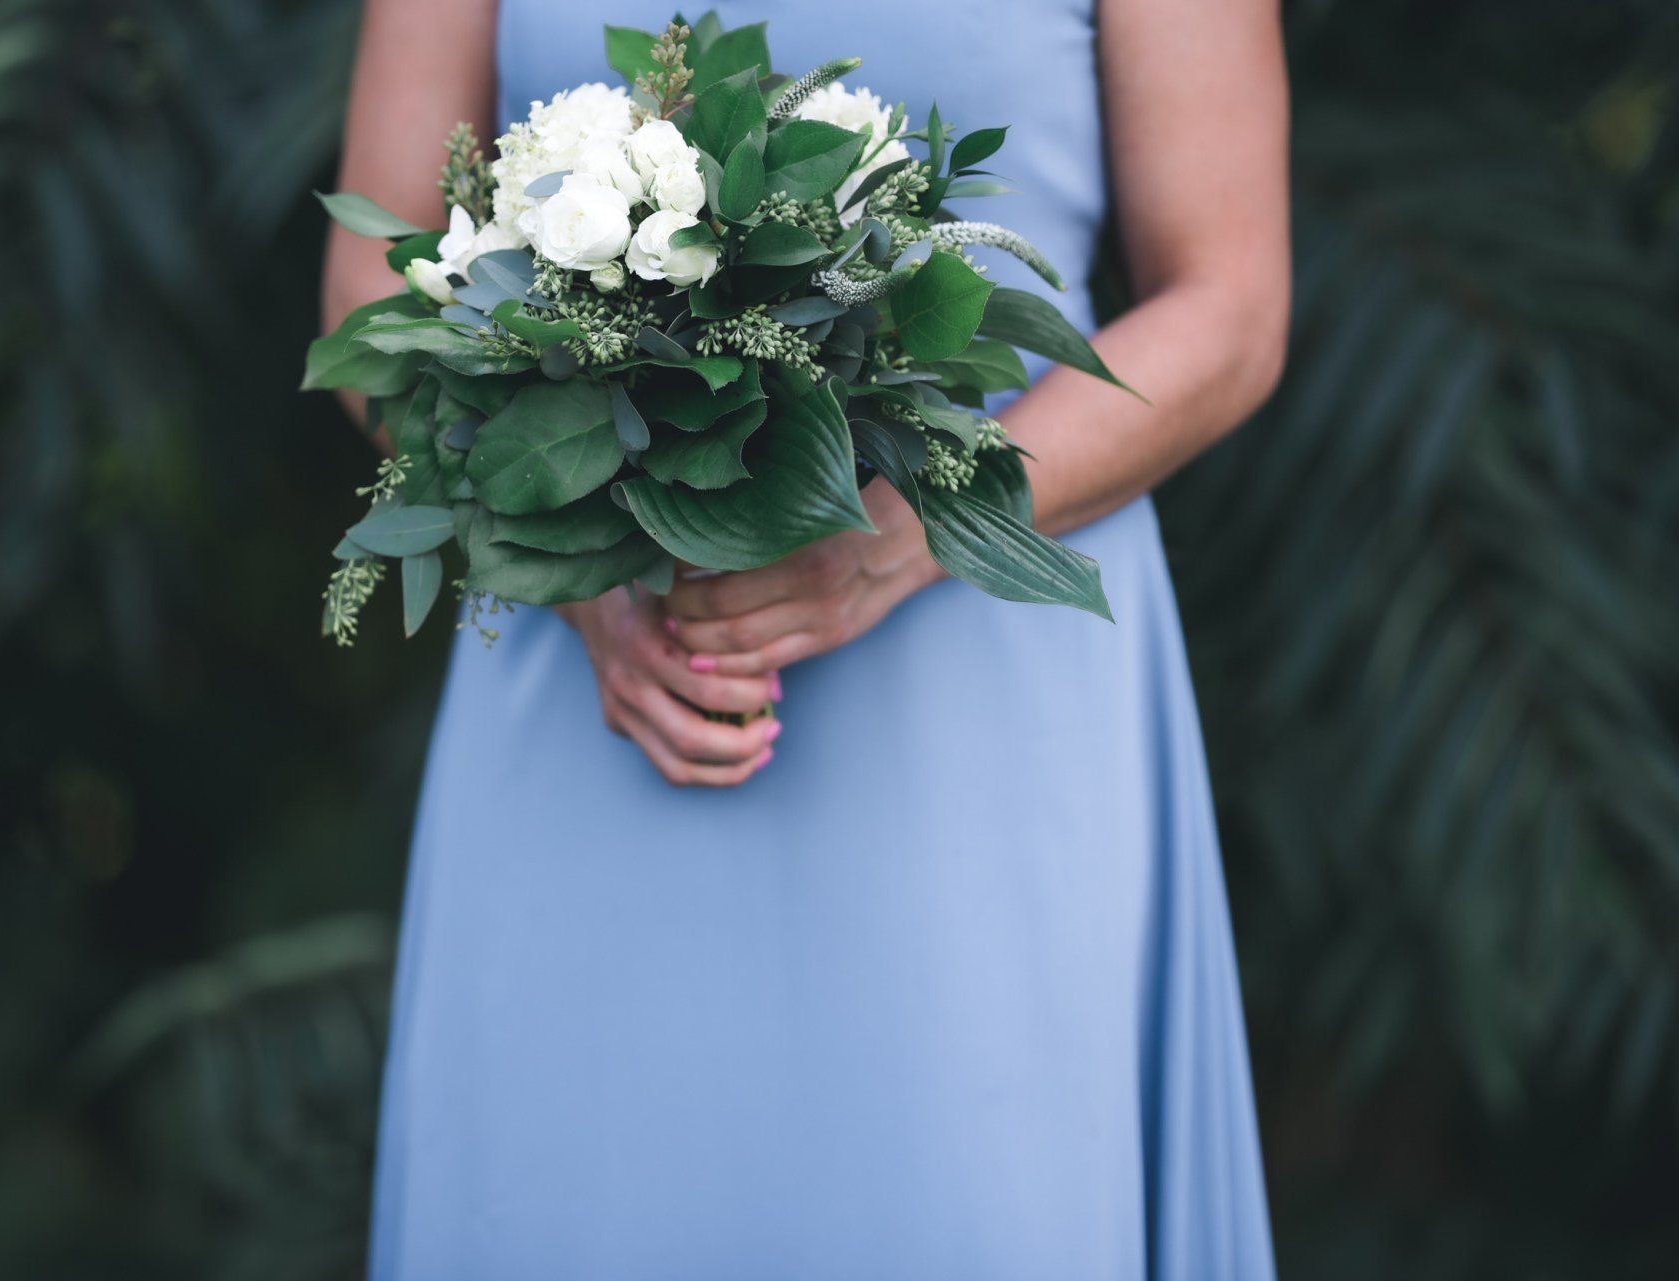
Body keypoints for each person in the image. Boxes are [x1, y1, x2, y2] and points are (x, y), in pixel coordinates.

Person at [323, 1, 1290, 1275]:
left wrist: (894, 539)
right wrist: (576, 579)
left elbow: (1229, 306)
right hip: (600, 690)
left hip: (980, 702)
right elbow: (369, 279)